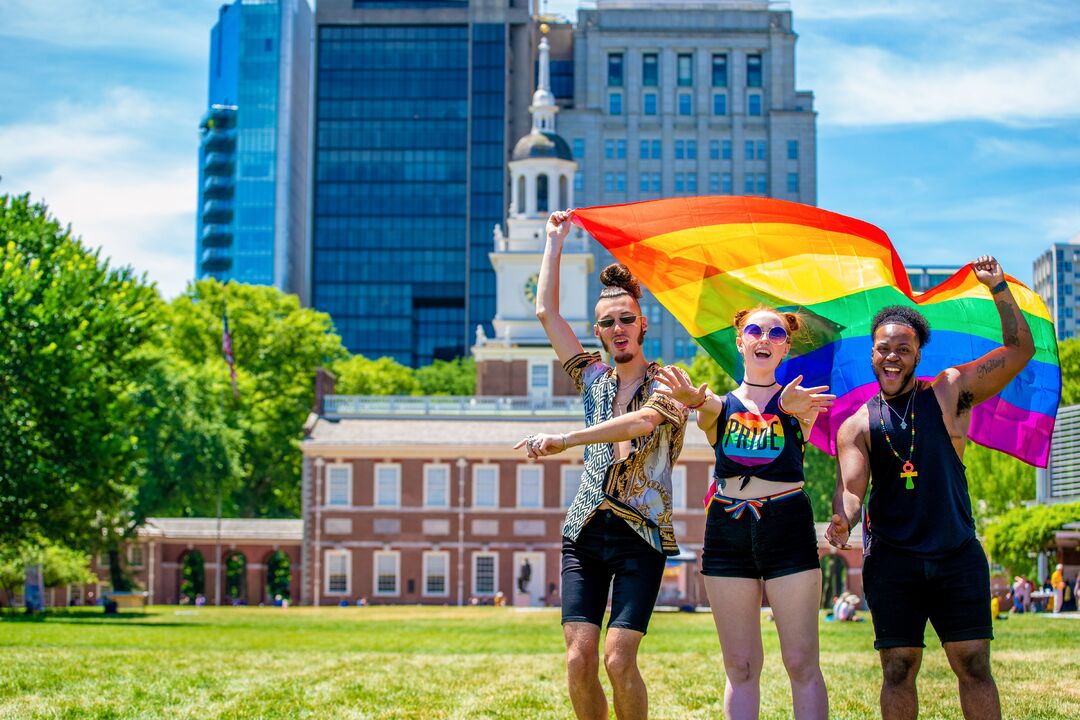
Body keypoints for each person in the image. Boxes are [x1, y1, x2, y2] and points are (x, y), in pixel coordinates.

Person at [827, 256, 1035, 720]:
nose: (892, 356)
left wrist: (998, 287)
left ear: (918, 353)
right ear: (872, 353)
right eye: (884, 348)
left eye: (904, 348)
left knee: (974, 664)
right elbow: (853, 489)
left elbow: (1020, 350)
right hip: (892, 559)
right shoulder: (856, 425)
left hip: (955, 551)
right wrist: (843, 517)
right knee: (898, 668)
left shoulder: (949, 391)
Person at [514, 209, 689, 720]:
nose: (618, 328)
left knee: (617, 660)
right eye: (608, 322)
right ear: (599, 329)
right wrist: (554, 241)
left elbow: (639, 427)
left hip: (641, 535)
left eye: (626, 319)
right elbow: (546, 312)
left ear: (643, 323)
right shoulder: (592, 377)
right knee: (578, 659)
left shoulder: (669, 382)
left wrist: (565, 439)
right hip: (584, 530)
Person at [656, 307, 834, 720]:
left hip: (787, 526)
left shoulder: (800, 403)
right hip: (727, 531)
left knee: (801, 663)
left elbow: (798, 408)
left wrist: (791, 406)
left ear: (785, 347)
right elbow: (706, 404)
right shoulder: (719, 406)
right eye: (754, 330)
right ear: (740, 342)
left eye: (775, 333)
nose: (764, 338)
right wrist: (693, 399)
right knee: (740, 666)